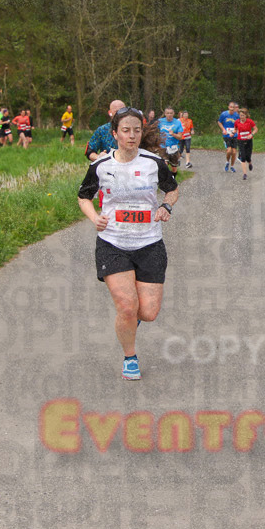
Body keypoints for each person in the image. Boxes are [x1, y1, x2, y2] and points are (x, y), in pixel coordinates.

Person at [77, 107, 179, 380]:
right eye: (126, 130)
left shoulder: (153, 163)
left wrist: (166, 207)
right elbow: (83, 196)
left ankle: (128, 323)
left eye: (137, 130)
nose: (132, 135)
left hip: (149, 243)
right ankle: (130, 357)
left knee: (147, 312)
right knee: (126, 306)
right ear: (115, 134)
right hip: (113, 243)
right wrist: (94, 217)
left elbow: (172, 189)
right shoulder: (100, 166)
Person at [157, 107, 184, 174]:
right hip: (162, 147)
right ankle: (164, 182)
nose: (169, 115)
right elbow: (153, 130)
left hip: (173, 147)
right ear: (165, 114)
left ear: (173, 114)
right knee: (164, 164)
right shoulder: (160, 121)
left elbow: (180, 137)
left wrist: (173, 134)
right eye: (168, 113)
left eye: (171, 113)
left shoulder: (177, 123)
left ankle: (172, 180)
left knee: (174, 168)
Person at [234, 108, 257, 180]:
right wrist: (233, 133)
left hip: (249, 141)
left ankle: (250, 162)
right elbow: (235, 129)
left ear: (246, 115)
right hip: (240, 141)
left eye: (243, 115)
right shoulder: (237, 122)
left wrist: (252, 134)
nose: (242, 117)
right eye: (240, 115)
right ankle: (245, 174)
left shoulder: (250, 121)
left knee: (248, 157)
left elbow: (256, 129)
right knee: (243, 157)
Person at [217, 101, 240, 172]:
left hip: (234, 135)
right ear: (228, 107)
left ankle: (232, 166)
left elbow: (238, 125)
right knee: (229, 150)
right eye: (231, 107)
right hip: (226, 134)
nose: (232, 108)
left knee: (234, 152)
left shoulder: (236, 115)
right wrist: (223, 129)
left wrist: (236, 132)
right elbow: (219, 122)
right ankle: (227, 162)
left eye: (233, 107)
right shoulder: (224, 114)